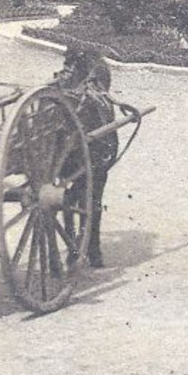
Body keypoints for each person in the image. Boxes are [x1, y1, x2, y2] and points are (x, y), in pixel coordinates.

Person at [53, 47, 116, 267]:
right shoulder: (99, 102)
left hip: (58, 151)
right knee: (94, 195)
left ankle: (72, 248)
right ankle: (94, 250)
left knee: (70, 192)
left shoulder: (55, 94)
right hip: (89, 152)